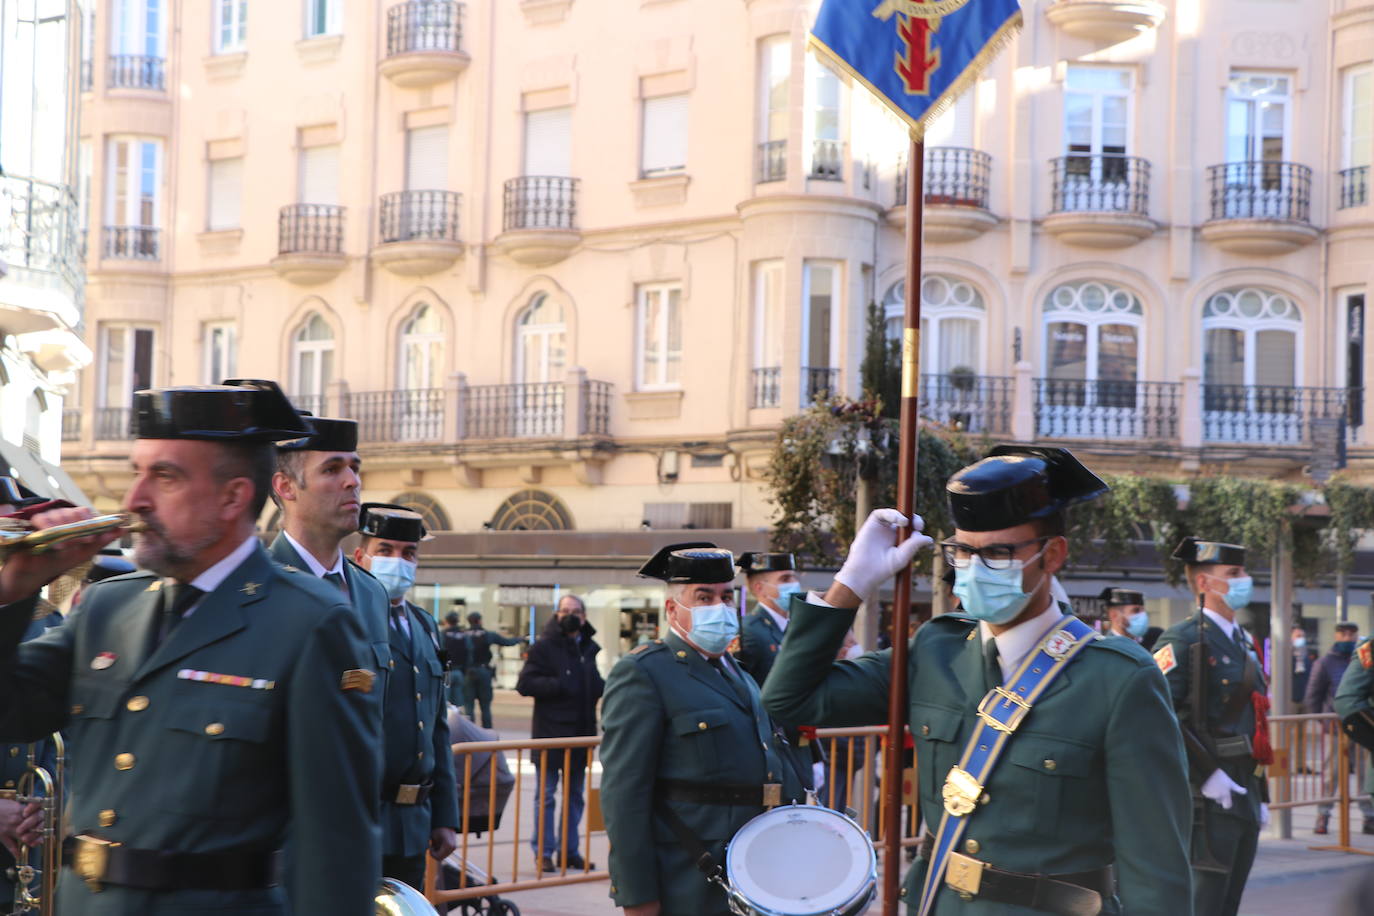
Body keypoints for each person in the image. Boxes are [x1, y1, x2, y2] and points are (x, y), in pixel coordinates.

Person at [0, 379, 380, 914]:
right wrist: (12, 593)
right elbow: (11, 712)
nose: (135, 500)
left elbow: (335, 844)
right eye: (137, 472)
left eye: (165, 477)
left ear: (233, 497)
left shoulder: (310, 624)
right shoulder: (109, 608)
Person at [763, 445, 1193, 914]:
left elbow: (1156, 865)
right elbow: (789, 702)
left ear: (1053, 555)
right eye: (963, 551)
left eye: (999, 553)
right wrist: (851, 585)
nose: (975, 566)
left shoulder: (1117, 679)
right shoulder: (935, 650)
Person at [601, 543, 809, 916]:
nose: (720, 607)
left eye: (727, 597)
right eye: (704, 597)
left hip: (754, 867)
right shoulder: (645, 673)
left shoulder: (737, 672)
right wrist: (637, 894)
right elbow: (624, 794)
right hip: (690, 875)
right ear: (671, 609)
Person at [1152, 537, 1269, 916]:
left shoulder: (1244, 642)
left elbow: (1255, 723)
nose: (1244, 580)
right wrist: (1208, 775)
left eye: (1244, 572)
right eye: (1233, 573)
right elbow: (1161, 715)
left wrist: (1260, 792)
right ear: (1204, 583)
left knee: (1229, 902)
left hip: (1243, 790)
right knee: (1204, 901)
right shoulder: (1183, 640)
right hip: (1208, 797)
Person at [353, 503, 460, 889]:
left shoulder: (426, 626)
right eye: (386, 550)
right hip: (358, 820)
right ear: (360, 557)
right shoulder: (345, 618)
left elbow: (436, 727)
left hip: (413, 824)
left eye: (408, 553)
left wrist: (445, 816)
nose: (398, 561)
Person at [515, 593, 604, 872]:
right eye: (565, 610)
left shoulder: (588, 647)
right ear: (556, 614)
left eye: (576, 611)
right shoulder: (543, 646)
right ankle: (544, 852)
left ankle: (569, 851)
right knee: (546, 796)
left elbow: (592, 683)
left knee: (575, 796)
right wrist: (560, 685)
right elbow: (525, 683)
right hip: (550, 733)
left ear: (584, 616)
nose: (570, 615)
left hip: (581, 733)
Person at [1305, 622, 1373, 835]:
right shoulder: (1325, 662)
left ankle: (1368, 816)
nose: (1347, 637)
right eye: (1343, 633)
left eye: (1351, 633)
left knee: (1363, 772)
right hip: (1338, 727)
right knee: (1331, 774)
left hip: (1363, 724)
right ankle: (1323, 814)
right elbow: (1314, 696)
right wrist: (1323, 722)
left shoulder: (1357, 653)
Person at [735, 552, 801, 683]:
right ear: (760, 588)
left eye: (794, 577)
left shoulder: (795, 626)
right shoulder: (748, 631)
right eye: (785, 579)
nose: (794, 584)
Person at [463, 611, 521, 729]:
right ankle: (486, 734)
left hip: (468, 673)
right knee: (485, 706)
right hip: (484, 672)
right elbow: (507, 642)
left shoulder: (464, 635)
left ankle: (469, 733)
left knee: (468, 707)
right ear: (480, 621)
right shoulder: (487, 634)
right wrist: (520, 639)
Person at [1100, 587, 1162, 651]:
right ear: (1114, 615)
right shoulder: (1106, 648)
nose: (1142, 615)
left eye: (1143, 610)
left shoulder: (1152, 641)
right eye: (1136, 610)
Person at [442, 611, 469, 709]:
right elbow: (469, 652)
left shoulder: (443, 634)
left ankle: (447, 723)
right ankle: (457, 722)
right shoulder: (464, 635)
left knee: (445, 703)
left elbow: (439, 651)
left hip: (446, 672)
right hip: (459, 671)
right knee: (458, 704)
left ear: (446, 621)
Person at [1292, 623, 1319, 706]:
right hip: (1291, 699)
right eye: (1298, 636)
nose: (1301, 639)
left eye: (1303, 636)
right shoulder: (1284, 656)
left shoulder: (1308, 655)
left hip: (1306, 699)